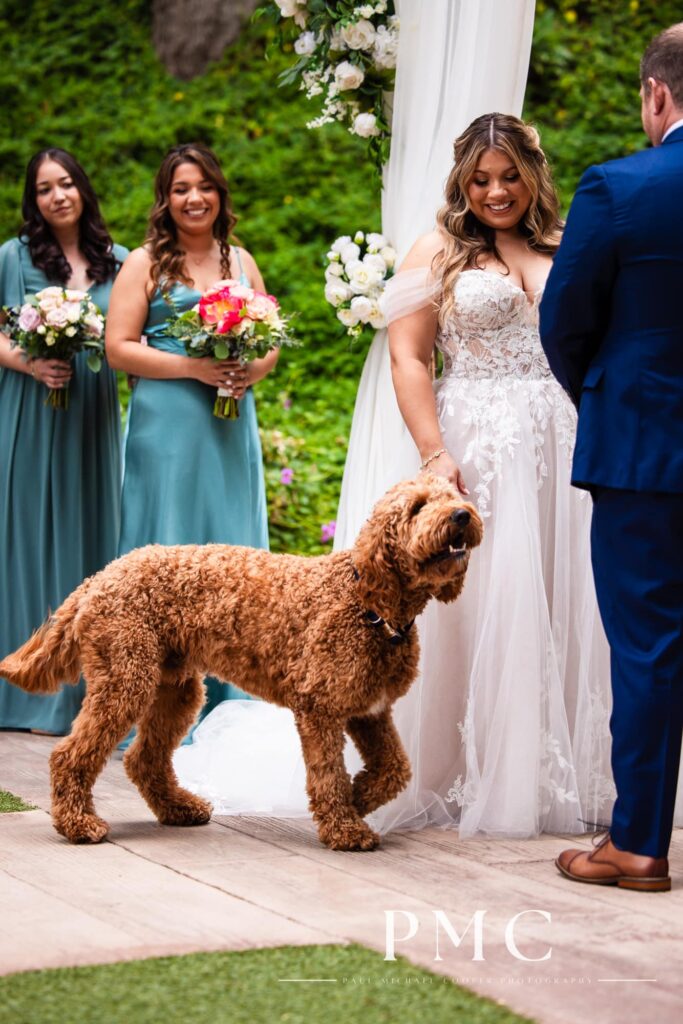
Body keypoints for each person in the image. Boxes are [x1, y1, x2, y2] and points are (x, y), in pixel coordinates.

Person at [540, 25, 683, 891]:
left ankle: (636, 844)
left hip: (645, 457)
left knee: (649, 649)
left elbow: (564, 322)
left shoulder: (620, 186)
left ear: (656, 95)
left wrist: (605, 397)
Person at [106, 143, 275, 730]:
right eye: (181, 189)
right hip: (169, 424)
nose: (194, 198)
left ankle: (232, 699)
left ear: (219, 194)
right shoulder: (145, 263)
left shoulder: (240, 259)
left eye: (203, 186)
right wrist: (194, 368)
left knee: (231, 548)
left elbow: (271, 337)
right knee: (169, 549)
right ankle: (152, 702)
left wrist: (251, 369)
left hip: (228, 426)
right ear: (166, 199)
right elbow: (119, 348)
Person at [0, 149, 127, 734]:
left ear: (83, 190)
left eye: (67, 183)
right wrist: (31, 366)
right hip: (31, 411)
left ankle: (84, 686)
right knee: (27, 538)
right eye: (45, 188)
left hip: (91, 417)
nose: (58, 196)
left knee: (89, 540)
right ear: (35, 200)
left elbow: (132, 336)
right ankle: (21, 688)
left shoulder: (120, 262)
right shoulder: (14, 257)